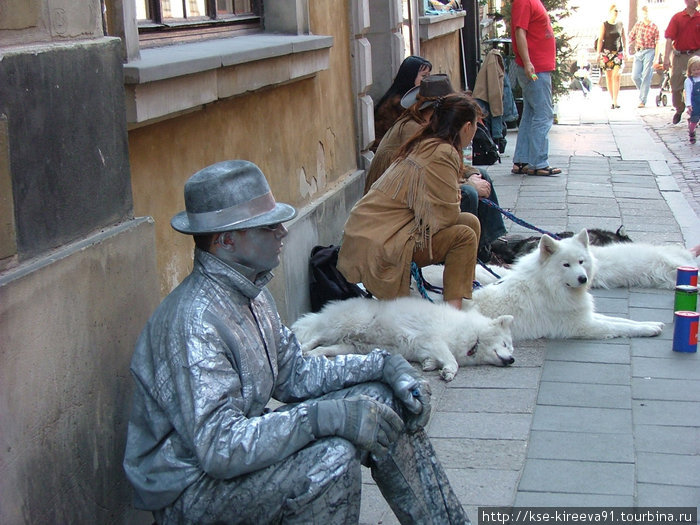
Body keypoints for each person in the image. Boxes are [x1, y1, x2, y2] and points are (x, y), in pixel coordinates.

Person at [122, 160, 471, 524]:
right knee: (332, 458)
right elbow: (219, 447)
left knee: (383, 400)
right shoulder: (194, 322)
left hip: (233, 456)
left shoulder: (251, 292)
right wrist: (325, 418)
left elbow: (295, 372)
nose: (283, 232)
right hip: (193, 490)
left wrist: (385, 365)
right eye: (268, 226)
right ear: (226, 240)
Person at [337, 93, 482, 310]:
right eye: (476, 127)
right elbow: (447, 216)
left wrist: (452, 197)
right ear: (467, 126)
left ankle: (462, 289)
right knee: (464, 235)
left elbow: (440, 209)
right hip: (383, 241)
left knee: (470, 221)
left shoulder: (428, 142)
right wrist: (456, 196)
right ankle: (454, 314)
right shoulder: (443, 152)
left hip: (377, 232)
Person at [366, 74, 506, 261]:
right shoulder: (414, 129)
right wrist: (469, 184)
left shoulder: (430, 124)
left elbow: (445, 167)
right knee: (468, 194)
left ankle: (488, 243)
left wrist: (472, 174)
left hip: (416, 191)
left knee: (482, 175)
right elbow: (433, 176)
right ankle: (467, 253)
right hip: (400, 206)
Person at [509, 0, 562, 176]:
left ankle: (523, 159)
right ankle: (539, 162)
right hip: (535, 67)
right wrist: (527, 62)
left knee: (531, 113)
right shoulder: (524, 1)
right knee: (543, 113)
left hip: (536, 65)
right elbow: (520, 32)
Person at [372, 56, 432, 152]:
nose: (428, 80)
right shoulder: (399, 103)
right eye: (424, 76)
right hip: (389, 154)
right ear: (410, 76)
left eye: (429, 76)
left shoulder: (410, 99)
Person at [663, 0, 700, 124]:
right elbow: (669, 39)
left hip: (696, 54)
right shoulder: (677, 18)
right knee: (675, 85)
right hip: (680, 56)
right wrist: (666, 58)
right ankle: (679, 108)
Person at [596, 4, 627, 109]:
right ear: (610, 12)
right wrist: (598, 53)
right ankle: (612, 99)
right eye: (615, 10)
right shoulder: (604, 25)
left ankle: (615, 100)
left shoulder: (621, 24)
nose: (616, 12)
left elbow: (624, 38)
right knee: (609, 77)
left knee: (616, 75)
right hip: (607, 53)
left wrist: (626, 51)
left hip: (618, 53)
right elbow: (600, 39)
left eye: (618, 11)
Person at [628, 5, 660, 108]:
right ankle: (643, 92)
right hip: (639, 51)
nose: (645, 16)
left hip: (649, 51)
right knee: (635, 76)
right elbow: (630, 37)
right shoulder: (638, 25)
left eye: (646, 13)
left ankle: (642, 100)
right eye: (643, 13)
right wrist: (627, 51)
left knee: (646, 75)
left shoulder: (654, 26)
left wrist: (656, 57)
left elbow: (658, 43)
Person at [684, 55, 700, 143]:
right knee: (694, 119)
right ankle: (691, 131)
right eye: (694, 70)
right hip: (695, 103)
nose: (696, 71)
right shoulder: (689, 81)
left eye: (698, 69)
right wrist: (688, 104)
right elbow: (688, 93)